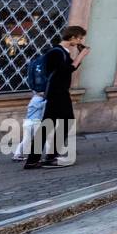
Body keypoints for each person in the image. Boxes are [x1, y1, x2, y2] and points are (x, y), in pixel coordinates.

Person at [24, 26, 88, 169]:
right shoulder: (56, 52)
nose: (80, 40)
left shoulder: (62, 52)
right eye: (79, 38)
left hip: (59, 92)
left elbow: (70, 68)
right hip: (57, 93)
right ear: (72, 37)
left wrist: (78, 56)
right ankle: (47, 157)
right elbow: (65, 71)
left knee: (52, 124)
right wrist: (81, 56)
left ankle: (37, 159)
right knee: (62, 122)